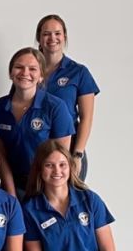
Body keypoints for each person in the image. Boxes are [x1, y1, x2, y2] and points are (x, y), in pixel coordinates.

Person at [0, 47, 75, 194]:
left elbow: (60, 159)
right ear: (11, 72)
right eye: (19, 67)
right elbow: (0, 155)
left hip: (46, 186)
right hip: (12, 185)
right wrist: (11, 194)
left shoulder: (56, 107)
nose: (25, 73)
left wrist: (45, 194)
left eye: (32, 69)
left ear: (41, 76)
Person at [36, 15, 100, 180]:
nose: (52, 38)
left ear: (65, 37)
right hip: (34, 149)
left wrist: (77, 154)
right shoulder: (28, 70)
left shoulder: (79, 72)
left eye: (57, 33)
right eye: (46, 34)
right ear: (39, 38)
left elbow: (86, 118)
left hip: (68, 150)